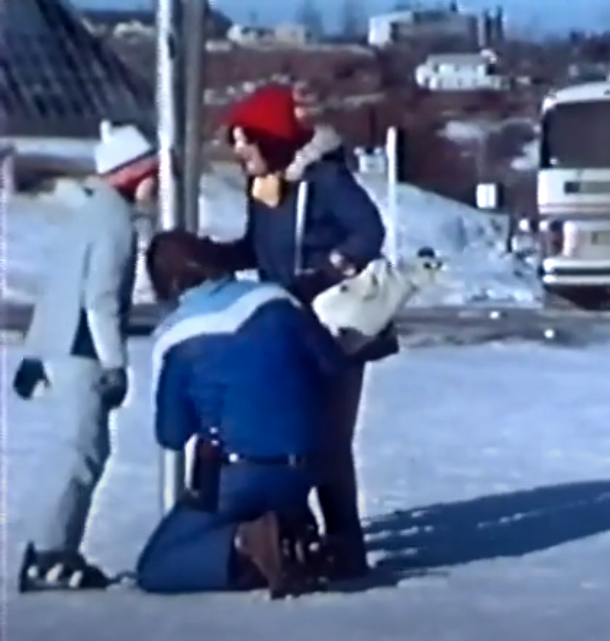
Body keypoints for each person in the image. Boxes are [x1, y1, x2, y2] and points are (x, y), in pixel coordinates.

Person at [204, 84, 392, 579]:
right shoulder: (263, 190)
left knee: (328, 438)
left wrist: (327, 270)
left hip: (337, 326)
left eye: (246, 140)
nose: (239, 151)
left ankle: (346, 545)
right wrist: (215, 256)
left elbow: (369, 233)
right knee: (293, 433)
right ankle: (299, 537)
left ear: (274, 139)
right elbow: (258, 249)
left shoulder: (324, 179)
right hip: (285, 328)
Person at [135, 230, 349, 596]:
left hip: (238, 472)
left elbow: (171, 434)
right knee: (273, 496)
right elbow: (332, 365)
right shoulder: (276, 299)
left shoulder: (179, 335)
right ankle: (290, 542)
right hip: (310, 464)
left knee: (159, 566)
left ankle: (251, 546)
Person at [13, 124, 158, 592]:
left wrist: (36, 353)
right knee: (82, 454)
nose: (157, 179)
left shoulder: (85, 214)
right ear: (131, 173)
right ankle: (51, 554)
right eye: (151, 169)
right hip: (83, 352)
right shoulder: (115, 222)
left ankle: (51, 546)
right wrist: (114, 364)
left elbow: (56, 285)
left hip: (60, 347)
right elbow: (99, 298)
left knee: (71, 453)